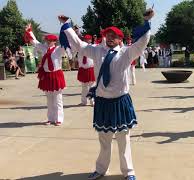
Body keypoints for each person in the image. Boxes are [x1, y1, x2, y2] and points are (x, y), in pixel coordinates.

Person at [59, 8, 154, 180]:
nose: (109, 37)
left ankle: (129, 172)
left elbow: (142, 43)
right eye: (107, 34)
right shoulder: (96, 51)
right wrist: (66, 26)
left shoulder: (127, 52)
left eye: (113, 35)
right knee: (104, 140)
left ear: (120, 39)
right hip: (102, 102)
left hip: (120, 102)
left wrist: (147, 23)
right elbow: (79, 44)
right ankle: (101, 169)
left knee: (124, 140)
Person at [24, 23, 68, 126]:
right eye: (47, 40)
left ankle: (59, 119)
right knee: (49, 99)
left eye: (49, 41)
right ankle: (50, 118)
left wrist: (68, 30)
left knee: (57, 98)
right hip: (47, 75)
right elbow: (34, 41)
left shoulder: (58, 50)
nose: (47, 42)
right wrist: (29, 30)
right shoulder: (43, 48)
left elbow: (66, 44)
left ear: (54, 41)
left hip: (56, 74)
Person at [77, 34, 96, 106]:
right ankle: (84, 101)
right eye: (85, 39)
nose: (86, 40)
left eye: (88, 39)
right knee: (84, 86)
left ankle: (93, 101)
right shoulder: (80, 47)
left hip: (90, 68)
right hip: (83, 69)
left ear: (91, 40)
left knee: (92, 86)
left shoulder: (93, 47)